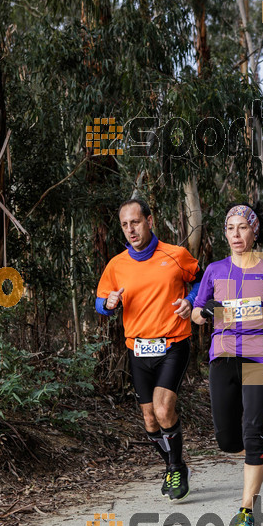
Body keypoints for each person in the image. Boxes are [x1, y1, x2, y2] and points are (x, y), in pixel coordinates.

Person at [192, 202, 263, 526]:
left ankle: (246, 510)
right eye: (230, 228)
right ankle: (260, 452)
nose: (236, 234)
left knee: (251, 431)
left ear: (255, 231)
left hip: (260, 357)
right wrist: (206, 312)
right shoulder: (215, 270)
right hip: (222, 356)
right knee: (225, 439)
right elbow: (196, 313)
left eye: (243, 227)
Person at [96, 198, 201, 501]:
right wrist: (108, 304)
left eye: (136, 222)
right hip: (138, 350)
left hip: (172, 344)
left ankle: (178, 466)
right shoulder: (116, 265)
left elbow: (201, 280)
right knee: (150, 420)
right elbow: (100, 302)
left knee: (164, 408)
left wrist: (191, 300)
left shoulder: (176, 254)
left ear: (150, 221)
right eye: (125, 225)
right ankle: (172, 465)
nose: (131, 229)